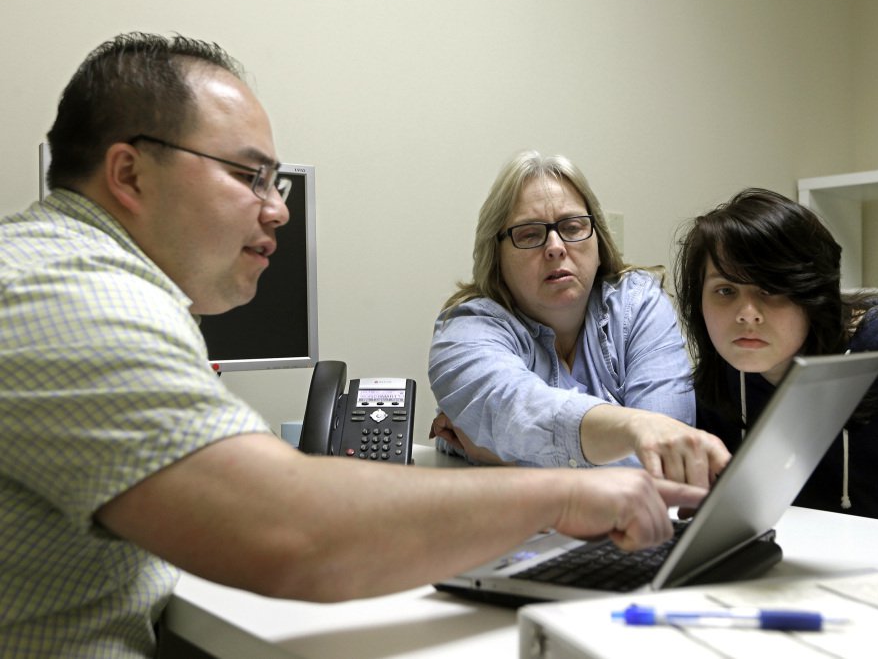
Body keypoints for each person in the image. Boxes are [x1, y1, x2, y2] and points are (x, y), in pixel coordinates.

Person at [0, 33, 708, 657]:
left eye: (276, 181)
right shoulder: (70, 298)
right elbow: (290, 531)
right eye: (249, 176)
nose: (278, 208)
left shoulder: (87, 283)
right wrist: (557, 497)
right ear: (128, 174)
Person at [672, 187, 878, 537]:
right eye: (725, 291)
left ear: (815, 294)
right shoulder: (718, 386)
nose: (746, 315)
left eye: (771, 290)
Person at [428, 151, 730, 486]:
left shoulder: (638, 304)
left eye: (572, 227)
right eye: (529, 234)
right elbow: (512, 407)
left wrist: (505, 457)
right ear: (496, 255)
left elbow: (663, 464)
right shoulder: (465, 329)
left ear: (598, 240)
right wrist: (634, 431)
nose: (555, 247)